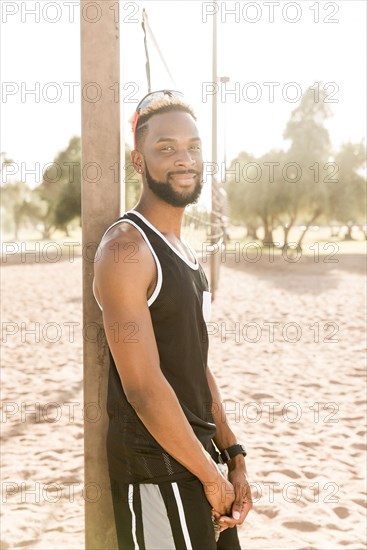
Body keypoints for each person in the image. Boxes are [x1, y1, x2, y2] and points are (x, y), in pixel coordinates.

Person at [93, 90, 252, 550]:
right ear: (138, 161)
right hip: (157, 471)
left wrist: (234, 456)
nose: (184, 159)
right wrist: (212, 477)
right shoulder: (127, 248)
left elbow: (195, 366)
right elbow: (143, 387)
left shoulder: (186, 254)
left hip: (201, 463)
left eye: (193, 147)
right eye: (166, 148)